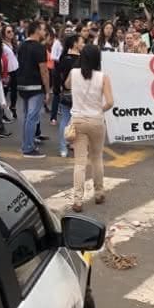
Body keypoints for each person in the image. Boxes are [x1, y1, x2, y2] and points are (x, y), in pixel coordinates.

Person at [66, 45, 115, 212]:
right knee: (97, 158)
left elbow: (66, 85)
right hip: (96, 121)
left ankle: (78, 200)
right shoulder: (103, 77)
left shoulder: (74, 73)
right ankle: (99, 192)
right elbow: (110, 102)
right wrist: (99, 109)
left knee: (79, 162)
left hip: (78, 120)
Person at [17, 21, 51, 159]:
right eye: (43, 29)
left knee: (27, 117)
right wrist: (47, 90)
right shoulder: (39, 47)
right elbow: (44, 70)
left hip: (22, 85)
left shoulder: (21, 45)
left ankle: (26, 144)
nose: (45, 32)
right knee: (32, 117)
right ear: (37, 30)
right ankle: (28, 148)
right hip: (36, 86)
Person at [55, 34, 82, 158]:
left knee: (65, 120)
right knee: (78, 121)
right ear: (75, 44)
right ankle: (74, 144)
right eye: (81, 42)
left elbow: (57, 74)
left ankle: (63, 147)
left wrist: (58, 89)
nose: (82, 44)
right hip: (79, 94)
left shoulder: (63, 57)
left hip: (65, 92)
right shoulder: (81, 59)